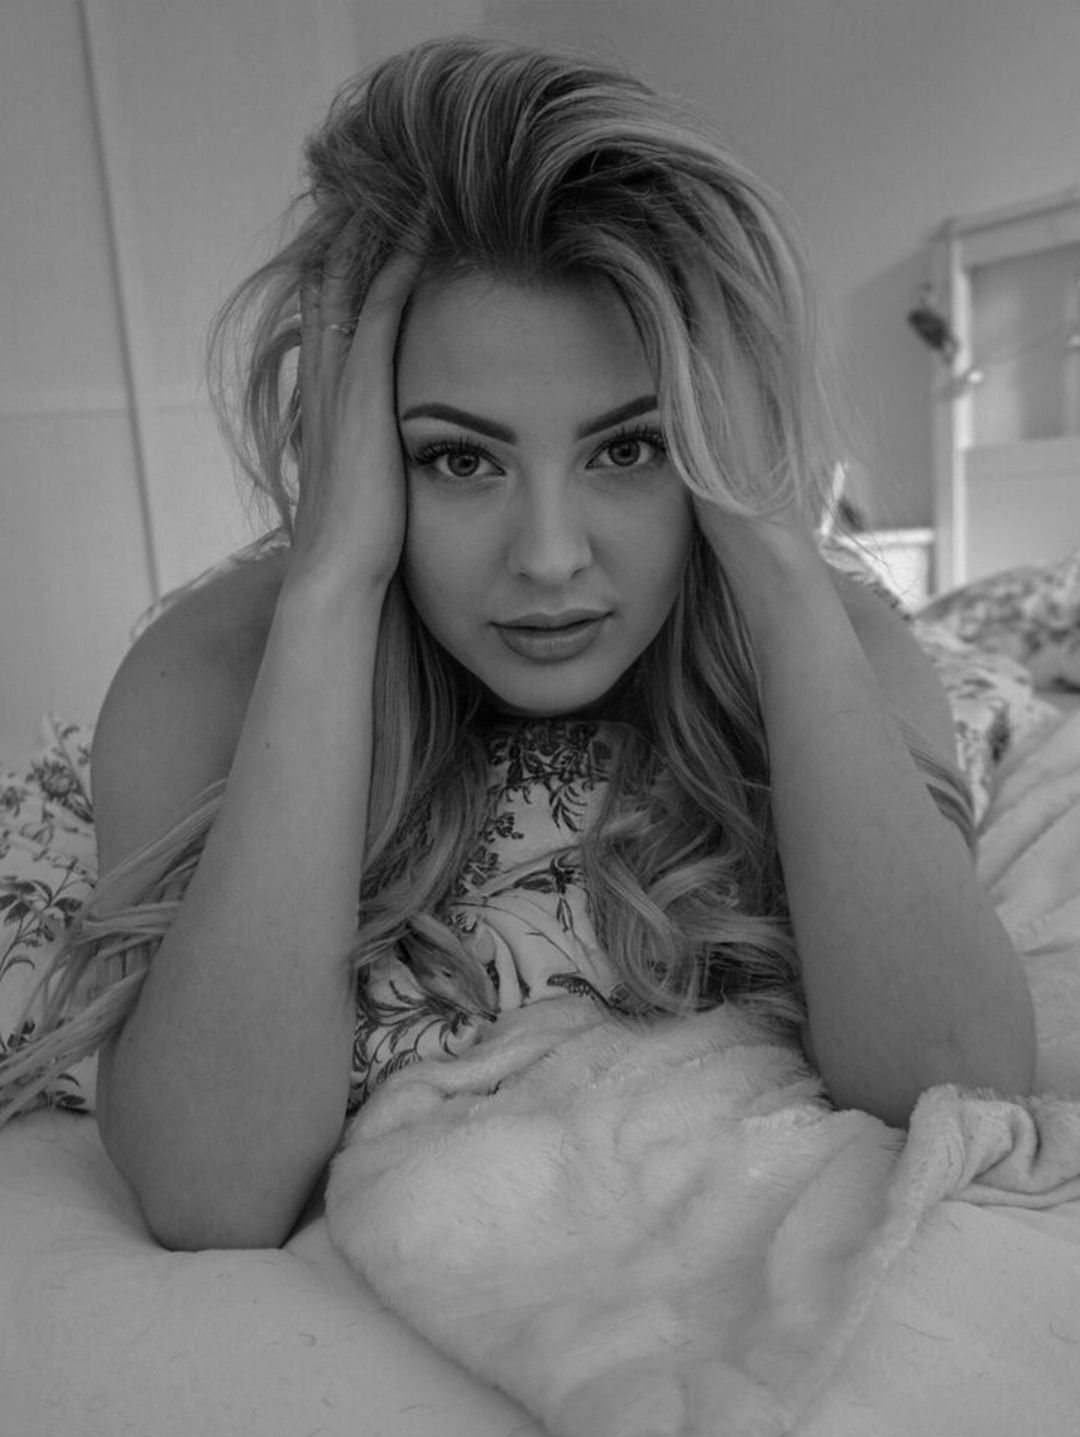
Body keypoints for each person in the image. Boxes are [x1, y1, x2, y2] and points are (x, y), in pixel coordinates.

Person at [0, 35, 1034, 1250]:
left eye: (629, 448)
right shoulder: (211, 670)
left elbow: (958, 1090)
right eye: (459, 458)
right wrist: (331, 592)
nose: (548, 557)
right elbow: (208, 1193)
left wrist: (781, 565)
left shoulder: (826, 634)